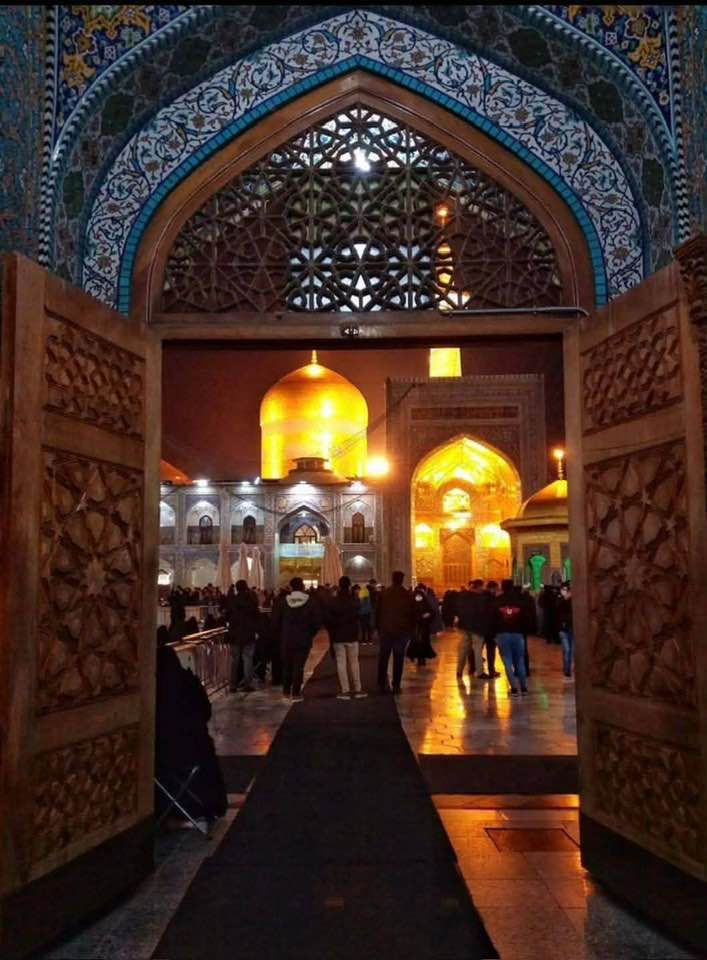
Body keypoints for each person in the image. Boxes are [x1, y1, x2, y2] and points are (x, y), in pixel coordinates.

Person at [154, 642, 227, 825]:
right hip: (199, 750)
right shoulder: (189, 681)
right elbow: (205, 711)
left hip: (168, 754)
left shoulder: (155, 690)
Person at [271, 576, 321, 701]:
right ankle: (296, 693)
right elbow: (316, 622)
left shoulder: (282, 602)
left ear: (291, 587)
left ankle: (286, 691)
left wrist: (281, 635)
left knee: (287, 666)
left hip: (286, 639)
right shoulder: (310, 601)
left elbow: (275, 622)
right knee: (299, 666)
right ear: (302, 587)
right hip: (303, 639)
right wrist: (310, 634)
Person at [326, 576, 367, 699]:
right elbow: (359, 614)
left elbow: (328, 619)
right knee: (354, 662)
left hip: (338, 636)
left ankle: (345, 691)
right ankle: (358, 689)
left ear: (339, 586)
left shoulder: (333, 601)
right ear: (349, 586)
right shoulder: (354, 600)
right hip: (352, 635)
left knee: (341, 663)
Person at [376, 570, 416, 694]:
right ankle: (396, 685)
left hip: (386, 630)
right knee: (398, 659)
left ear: (392, 579)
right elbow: (413, 614)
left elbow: (378, 612)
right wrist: (411, 631)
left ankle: (381, 684)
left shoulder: (384, 593)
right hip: (401, 632)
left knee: (383, 658)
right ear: (402, 580)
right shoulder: (407, 595)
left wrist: (378, 628)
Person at [493, 578, 532, 696]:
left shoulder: (497, 600)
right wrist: (525, 631)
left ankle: (514, 688)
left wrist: (494, 633)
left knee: (507, 661)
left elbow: (492, 618)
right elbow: (526, 617)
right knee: (520, 661)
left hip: (502, 633)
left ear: (502, 587)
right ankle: (524, 688)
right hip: (518, 633)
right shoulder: (520, 599)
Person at [225, 579, 259, 692]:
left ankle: (232, 685)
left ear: (237, 588)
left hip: (234, 633)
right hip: (248, 633)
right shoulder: (251, 601)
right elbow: (256, 616)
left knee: (234, 660)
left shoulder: (232, 601)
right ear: (246, 587)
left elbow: (227, 616)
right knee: (248, 659)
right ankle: (247, 684)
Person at [456, 579, 492, 680]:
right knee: (477, 650)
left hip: (465, 626)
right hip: (477, 628)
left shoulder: (463, 596)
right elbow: (482, 613)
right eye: (482, 587)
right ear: (479, 586)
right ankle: (480, 672)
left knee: (463, 649)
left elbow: (458, 610)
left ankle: (459, 671)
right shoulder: (480, 598)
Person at [481, 581, 501, 679]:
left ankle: (476, 669)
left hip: (480, 628)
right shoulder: (493, 599)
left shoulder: (480, 597)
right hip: (491, 628)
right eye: (496, 589)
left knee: (478, 649)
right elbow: (495, 615)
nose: (497, 590)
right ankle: (491, 670)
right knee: (491, 651)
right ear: (492, 588)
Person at [557, 581, 574, 681]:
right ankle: (566, 670)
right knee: (567, 649)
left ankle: (568, 669)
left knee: (570, 650)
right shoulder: (560, 600)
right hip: (563, 629)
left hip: (571, 628)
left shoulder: (572, 601)